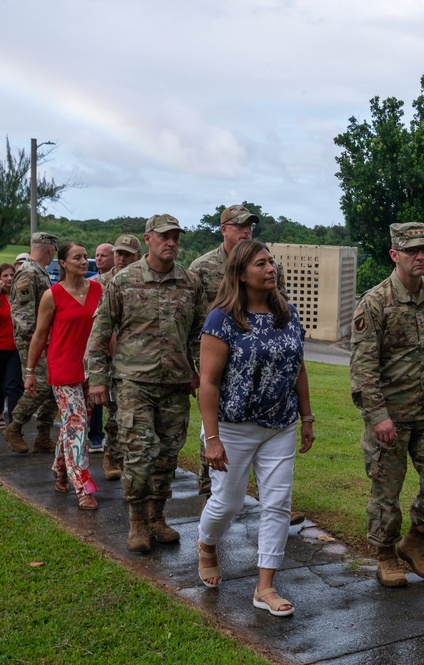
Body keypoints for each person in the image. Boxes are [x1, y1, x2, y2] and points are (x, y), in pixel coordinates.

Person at [197, 239, 314, 616]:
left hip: (279, 425)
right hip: (233, 428)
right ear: (241, 274)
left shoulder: (288, 313)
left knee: (278, 504)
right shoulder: (222, 319)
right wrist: (212, 438)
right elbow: (208, 383)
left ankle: (265, 587)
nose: (271, 269)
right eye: (261, 264)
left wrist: (307, 417)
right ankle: (207, 543)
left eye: (272, 262)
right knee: (228, 503)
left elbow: (298, 367)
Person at [349, 222, 424, 588]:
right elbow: (364, 367)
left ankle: (414, 542)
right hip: (390, 417)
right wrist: (378, 416)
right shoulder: (375, 302)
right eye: (413, 250)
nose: (421, 256)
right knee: (386, 492)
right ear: (394, 255)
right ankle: (385, 556)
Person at [86, 214, 205, 553]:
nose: (172, 242)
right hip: (133, 382)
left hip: (176, 384)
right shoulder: (123, 281)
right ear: (148, 239)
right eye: (165, 236)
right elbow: (101, 331)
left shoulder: (190, 283)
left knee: (168, 455)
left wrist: (200, 371)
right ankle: (137, 522)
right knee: (139, 454)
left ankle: (157, 517)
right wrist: (97, 378)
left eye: (176, 237)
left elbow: (198, 334)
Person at [190, 204, 301, 524]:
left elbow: (278, 308)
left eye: (250, 225)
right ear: (223, 229)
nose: (246, 230)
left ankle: (273, 504)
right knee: (213, 435)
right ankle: (211, 498)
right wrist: (191, 365)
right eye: (239, 226)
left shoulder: (266, 265)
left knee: (265, 435)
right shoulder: (202, 267)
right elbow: (190, 316)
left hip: (258, 362)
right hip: (214, 357)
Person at [25, 243, 103, 510]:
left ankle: (60, 467)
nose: (84, 262)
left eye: (85, 257)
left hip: (91, 371)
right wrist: (30, 371)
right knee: (78, 425)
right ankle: (82, 486)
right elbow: (39, 336)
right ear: (63, 263)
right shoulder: (52, 295)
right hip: (63, 370)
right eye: (77, 258)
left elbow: (106, 331)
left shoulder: (98, 290)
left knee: (73, 426)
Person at [92, 233, 142, 482]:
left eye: (127, 254)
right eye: (118, 254)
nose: (121, 259)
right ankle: (111, 456)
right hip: (112, 360)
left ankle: (136, 462)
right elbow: (98, 329)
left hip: (138, 360)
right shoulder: (101, 283)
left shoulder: (143, 282)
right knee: (114, 415)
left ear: (138, 257)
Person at [5, 232, 60, 454]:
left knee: (54, 387)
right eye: (54, 250)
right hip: (34, 342)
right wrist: (34, 345)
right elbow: (23, 316)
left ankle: (43, 436)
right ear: (50, 250)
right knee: (40, 386)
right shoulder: (28, 272)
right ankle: (14, 427)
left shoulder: (39, 272)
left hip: (46, 340)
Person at [87, 243, 115, 453]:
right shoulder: (91, 284)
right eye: (97, 255)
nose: (99, 258)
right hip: (99, 347)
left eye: (104, 255)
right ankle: (95, 435)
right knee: (96, 393)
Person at [0, 263, 24, 430]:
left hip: (15, 348)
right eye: (5, 276)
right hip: (0, 347)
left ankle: (14, 425)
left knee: (13, 385)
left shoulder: (19, 296)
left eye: (11, 275)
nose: (9, 279)